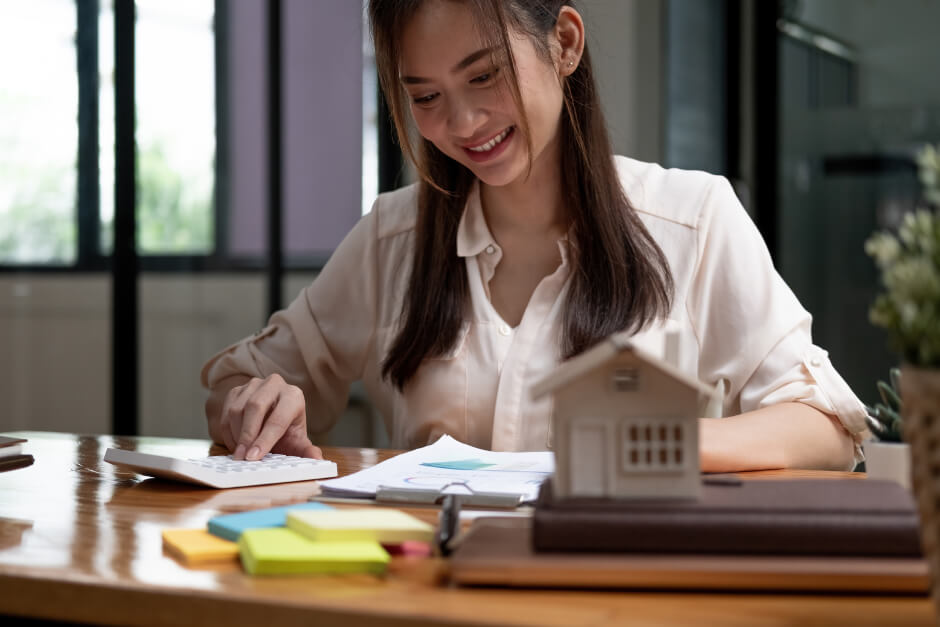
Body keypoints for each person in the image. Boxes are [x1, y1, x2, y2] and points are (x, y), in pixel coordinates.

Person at [202, 0, 867, 472]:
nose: (463, 123)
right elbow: (241, 383)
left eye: (484, 75)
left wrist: (666, 445)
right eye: (426, 98)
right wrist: (256, 408)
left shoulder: (693, 220)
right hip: (431, 598)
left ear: (566, 43)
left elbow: (829, 427)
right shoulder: (391, 240)